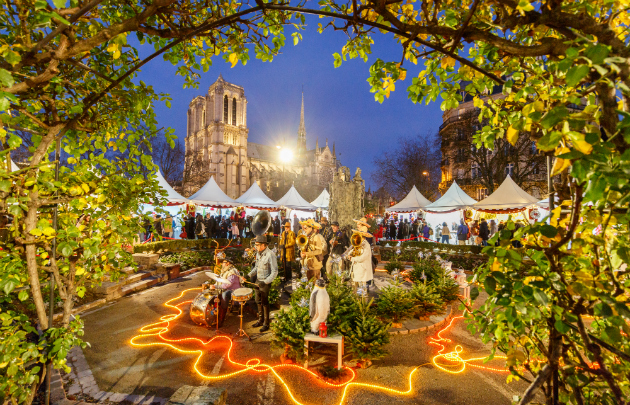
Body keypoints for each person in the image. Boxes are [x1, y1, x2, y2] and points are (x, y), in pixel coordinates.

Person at [244, 235, 278, 332]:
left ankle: (266, 324)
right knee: (257, 301)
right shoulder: (259, 253)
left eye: (257, 245)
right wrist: (248, 275)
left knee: (264, 303)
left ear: (264, 245)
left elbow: (275, 271)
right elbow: (256, 267)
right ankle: (260, 320)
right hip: (258, 280)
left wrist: (266, 282)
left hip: (265, 282)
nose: (256, 247)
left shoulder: (270, 254)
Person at [343, 218, 373, 292]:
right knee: (355, 289)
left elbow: (362, 257)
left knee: (363, 291)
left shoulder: (366, 245)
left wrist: (352, 258)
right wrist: (348, 255)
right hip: (356, 270)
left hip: (363, 271)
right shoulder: (357, 244)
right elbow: (351, 252)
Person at [214, 257, 241, 327]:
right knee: (216, 295)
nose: (222, 264)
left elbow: (228, 284)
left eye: (223, 262)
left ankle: (221, 319)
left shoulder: (232, 272)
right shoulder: (225, 271)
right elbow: (220, 282)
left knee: (224, 295)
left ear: (228, 263)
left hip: (234, 291)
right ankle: (215, 315)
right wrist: (214, 286)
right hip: (227, 289)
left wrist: (216, 287)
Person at [279, 222, 296, 286]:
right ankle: (285, 277)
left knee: (288, 265)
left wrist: (285, 246)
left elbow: (293, 242)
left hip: (289, 251)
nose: (286, 228)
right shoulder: (283, 233)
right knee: (284, 264)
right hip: (284, 251)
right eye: (285, 227)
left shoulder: (292, 233)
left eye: (287, 227)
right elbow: (282, 240)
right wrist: (281, 245)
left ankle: (289, 278)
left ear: (289, 227)